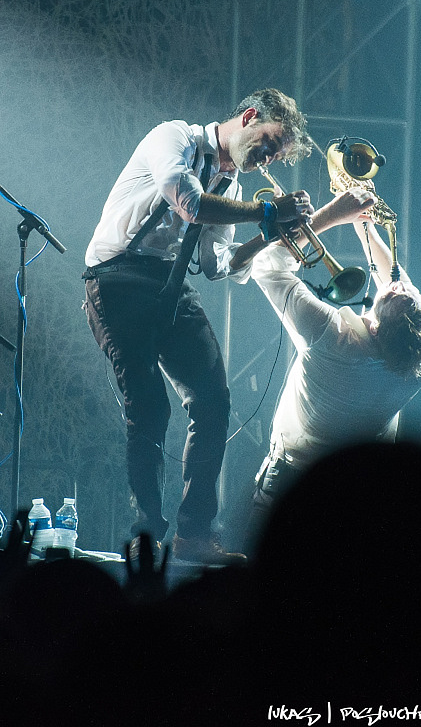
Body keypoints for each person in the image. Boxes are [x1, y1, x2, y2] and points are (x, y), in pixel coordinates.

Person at [83, 88, 313, 563]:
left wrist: (265, 234)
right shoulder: (175, 137)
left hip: (167, 285)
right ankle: (145, 534)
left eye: (275, 155)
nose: (267, 158)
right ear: (249, 117)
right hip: (117, 277)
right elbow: (187, 202)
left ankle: (193, 533)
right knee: (149, 409)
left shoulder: (233, 189)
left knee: (213, 400)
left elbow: (218, 264)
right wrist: (269, 212)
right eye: (268, 143)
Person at [248, 180, 421, 539]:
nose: (400, 285)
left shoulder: (332, 337)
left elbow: (265, 266)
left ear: (373, 330)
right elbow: (394, 281)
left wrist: (331, 216)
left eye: (391, 296)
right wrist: (364, 223)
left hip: (293, 477)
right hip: (365, 482)